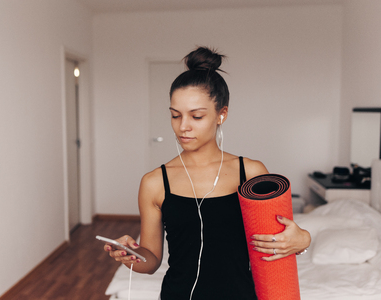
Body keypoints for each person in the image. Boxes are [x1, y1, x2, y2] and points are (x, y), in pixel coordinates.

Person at [103, 46, 311, 299]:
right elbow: (152, 261)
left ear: (221, 114)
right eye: (175, 116)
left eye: (197, 116)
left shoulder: (251, 173)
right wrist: (130, 255)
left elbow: (281, 240)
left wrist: (303, 240)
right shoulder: (155, 183)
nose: (183, 127)